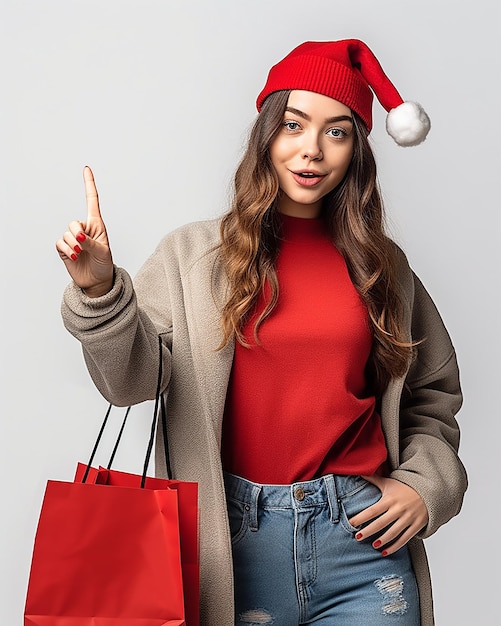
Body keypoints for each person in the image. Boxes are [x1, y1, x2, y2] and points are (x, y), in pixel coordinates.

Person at [56, 39, 467, 626]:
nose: (312, 150)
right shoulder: (193, 257)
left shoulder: (382, 267)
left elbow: (433, 393)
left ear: (357, 151)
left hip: (360, 543)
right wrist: (101, 291)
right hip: (232, 545)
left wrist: (427, 484)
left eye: (338, 132)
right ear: (267, 133)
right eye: (294, 125)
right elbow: (130, 383)